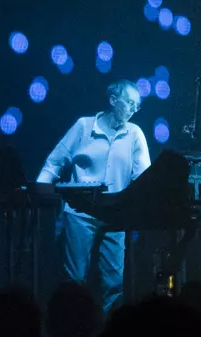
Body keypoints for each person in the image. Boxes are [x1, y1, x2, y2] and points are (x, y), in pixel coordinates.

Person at [37, 79, 151, 314]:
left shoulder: (134, 134)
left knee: (114, 281)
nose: (133, 109)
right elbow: (55, 161)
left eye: (136, 105)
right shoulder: (84, 126)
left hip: (115, 216)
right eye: (129, 103)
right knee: (75, 276)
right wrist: (39, 190)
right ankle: (72, 325)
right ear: (113, 100)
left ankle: (110, 328)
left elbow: (144, 178)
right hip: (80, 213)